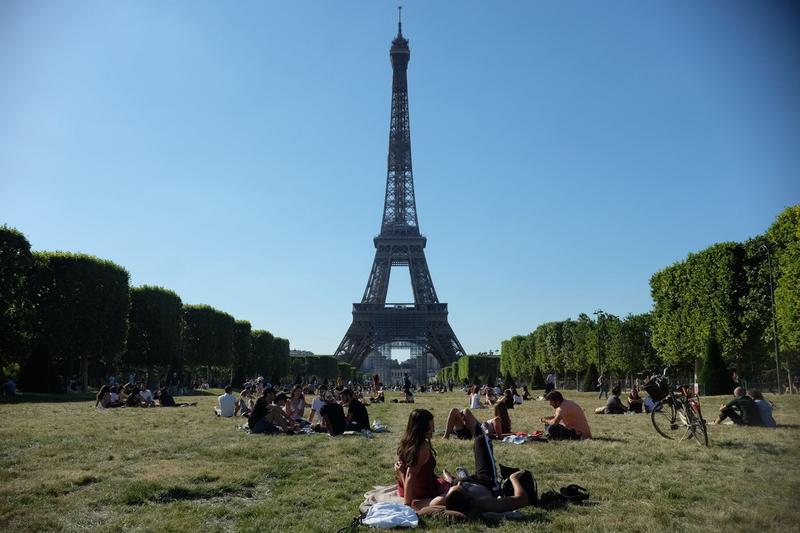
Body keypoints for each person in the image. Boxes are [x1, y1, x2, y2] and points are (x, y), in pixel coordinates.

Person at [394, 409, 451, 509]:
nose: (433, 430)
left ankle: (447, 477)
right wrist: (407, 507)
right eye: (430, 427)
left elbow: (406, 473)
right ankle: (448, 478)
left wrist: (402, 474)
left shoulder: (406, 443)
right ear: (421, 429)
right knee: (452, 489)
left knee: (445, 483)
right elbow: (410, 475)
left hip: (404, 489)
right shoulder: (422, 446)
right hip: (423, 492)